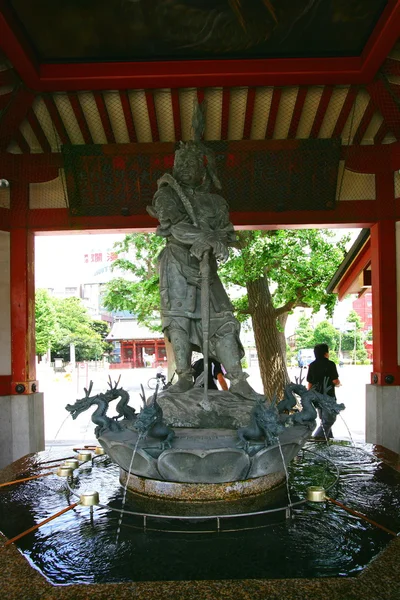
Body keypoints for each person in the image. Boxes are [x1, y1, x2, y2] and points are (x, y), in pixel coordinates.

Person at [147, 114, 258, 399]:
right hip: (176, 264)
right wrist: (202, 237)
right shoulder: (167, 195)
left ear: (202, 170)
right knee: (178, 320)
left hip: (207, 266)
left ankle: (238, 379)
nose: (185, 168)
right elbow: (172, 227)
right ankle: (183, 377)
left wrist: (217, 242)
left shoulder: (216, 202)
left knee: (225, 320)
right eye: (180, 163)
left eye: (192, 164)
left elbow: (228, 236)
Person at [306, 343, 341, 439]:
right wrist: (338, 384)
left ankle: (328, 439)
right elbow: (335, 380)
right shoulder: (330, 364)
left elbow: (310, 383)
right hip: (328, 397)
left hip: (316, 396)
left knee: (324, 420)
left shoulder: (312, 365)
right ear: (326, 353)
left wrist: (309, 396)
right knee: (329, 420)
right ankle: (317, 438)